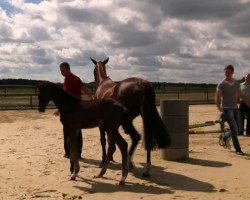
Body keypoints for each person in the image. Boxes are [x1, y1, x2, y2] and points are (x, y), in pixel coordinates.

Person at [54, 62, 93, 158]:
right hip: (78, 109)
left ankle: (68, 153)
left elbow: (65, 97)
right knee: (78, 131)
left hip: (70, 111)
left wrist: (59, 109)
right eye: (61, 71)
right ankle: (78, 153)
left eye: (63, 70)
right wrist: (92, 99)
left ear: (68, 69)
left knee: (67, 131)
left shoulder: (69, 79)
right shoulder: (76, 78)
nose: (62, 72)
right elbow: (85, 89)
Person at [215, 65, 250, 155]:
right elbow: (217, 98)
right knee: (234, 129)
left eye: (229, 72)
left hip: (235, 108)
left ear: (232, 72)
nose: (227, 74)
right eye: (226, 72)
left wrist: (248, 103)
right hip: (226, 109)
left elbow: (241, 95)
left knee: (239, 128)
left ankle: (224, 136)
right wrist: (220, 109)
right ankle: (238, 149)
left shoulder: (235, 82)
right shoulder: (221, 84)